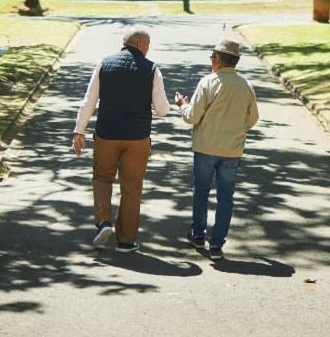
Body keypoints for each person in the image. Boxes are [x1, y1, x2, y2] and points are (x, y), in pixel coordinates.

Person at [72, 27, 171, 253]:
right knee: (131, 186)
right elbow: (163, 109)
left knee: (102, 178)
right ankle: (126, 240)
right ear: (140, 45)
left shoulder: (104, 64)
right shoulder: (152, 70)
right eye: (148, 45)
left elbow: (89, 100)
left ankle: (104, 222)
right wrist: (153, 108)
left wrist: (79, 131)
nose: (148, 49)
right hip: (137, 138)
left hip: (107, 134)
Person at [174, 38, 259, 261]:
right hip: (232, 149)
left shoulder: (208, 82)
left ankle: (198, 234)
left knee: (201, 190)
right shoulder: (245, 85)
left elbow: (192, 117)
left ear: (220, 61)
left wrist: (183, 106)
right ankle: (217, 244)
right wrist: (238, 129)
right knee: (226, 197)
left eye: (212, 58)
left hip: (205, 147)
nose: (211, 61)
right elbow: (253, 119)